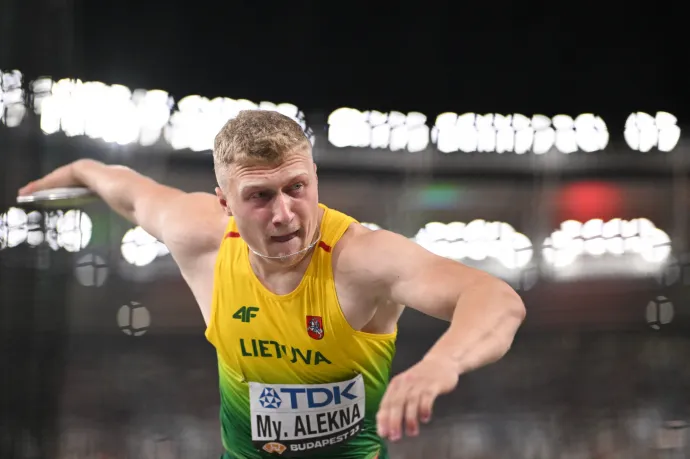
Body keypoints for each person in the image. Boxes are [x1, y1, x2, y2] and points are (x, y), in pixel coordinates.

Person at [18, 110, 526, 458]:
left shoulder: (362, 258)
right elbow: (130, 193)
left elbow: (496, 300)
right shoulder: (199, 237)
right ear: (225, 202)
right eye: (260, 196)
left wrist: (442, 363)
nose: (284, 213)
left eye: (296, 187)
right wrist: (83, 169)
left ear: (314, 178)